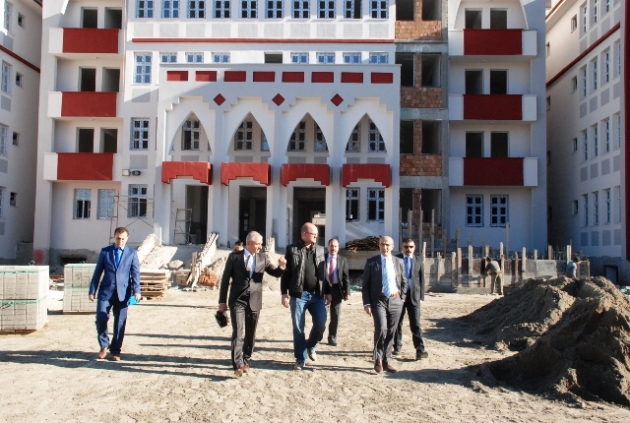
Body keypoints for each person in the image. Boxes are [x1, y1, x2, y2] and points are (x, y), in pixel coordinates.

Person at [219, 231, 286, 377]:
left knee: (251, 332)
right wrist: (222, 302)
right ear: (249, 243)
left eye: (261, 244)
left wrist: (281, 267)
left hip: (255, 299)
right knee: (238, 331)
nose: (260, 247)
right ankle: (237, 364)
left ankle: (245, 359)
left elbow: (275, 273)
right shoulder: (234, 257)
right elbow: (225, 280)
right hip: (237, 299)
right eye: (258, 244)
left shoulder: (263, 258)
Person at [281, 222, 329, 370]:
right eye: (314, 234)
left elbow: (324, 273)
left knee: (321, 323)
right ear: (304, 234)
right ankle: (301, 358)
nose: (316, 236)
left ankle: (311, 345)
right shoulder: (292, 249)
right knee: (298, 328)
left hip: (317, 295)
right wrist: (284, 293)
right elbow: (286, 274)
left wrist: (328, 292)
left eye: (317, 234)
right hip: (298, 295)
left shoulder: (320, 250)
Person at [89, 227, 141, 361]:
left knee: (120, 323)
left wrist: (137, 291)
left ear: (127, 238)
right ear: (114, 237)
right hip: (106, 292)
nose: (120, 241)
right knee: (101, 318)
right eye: (118, 238)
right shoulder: (105, 252)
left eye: (123, 239)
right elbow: (98, 272)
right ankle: (104, 345)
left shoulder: (132, 253)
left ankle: (115, 351)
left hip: (123, 294)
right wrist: (92, 290)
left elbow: (135, 273)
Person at [362, 235, 407, 373]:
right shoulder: (372, 262)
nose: (384, 247)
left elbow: (404, 281)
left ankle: (386, 360)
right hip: (379, 300)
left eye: (387, 244)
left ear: (392, 247)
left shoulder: (399, 262)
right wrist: (367, 303)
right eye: (382, 244)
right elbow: (365, 285)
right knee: (381, 328)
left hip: (395, 300)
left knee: (391, 331)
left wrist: (402, 298)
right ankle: (377, 358)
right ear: (379, 246)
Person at [393, 238, 428, 360]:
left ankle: (420, 349)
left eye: (411, 247)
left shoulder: (418, 260)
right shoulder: (395, 259)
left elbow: (421, 279)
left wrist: (421, 297)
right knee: (397, 323)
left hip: (414, 296)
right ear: (402, 248)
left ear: (414, 247)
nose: (408, 249)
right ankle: (397, 346)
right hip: (398, 296)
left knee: (416, 323)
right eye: (406, 247)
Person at [324, 238, 350, 347]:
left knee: (335, 315)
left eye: (335, 246)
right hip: (324, 290)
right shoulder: (322, 258)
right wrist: (326, 292)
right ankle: (318, 334)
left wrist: (347, 292)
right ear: (328, 247)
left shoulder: (343, 260)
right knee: (321, 315)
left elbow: (346, 277)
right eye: (331, 246)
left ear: (338, 248)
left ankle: (332, 337)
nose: (333, 248)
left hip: (337, 290)